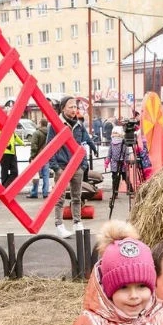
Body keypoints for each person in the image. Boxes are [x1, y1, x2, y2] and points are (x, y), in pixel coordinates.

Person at [47, 97, 98, 238]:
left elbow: (86, 140)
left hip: (77, 166)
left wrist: (84, 164)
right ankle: (59, 225)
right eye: (70, 107)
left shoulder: (79, 125)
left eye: (75, 107)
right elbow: (49, 147)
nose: (74, 109)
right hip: (62, 166)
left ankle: (77, 222)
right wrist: (55, 167)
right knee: (59, 197)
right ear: (63, 108)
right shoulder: (55, 125)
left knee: (77, 196)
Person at [0, 105, 23, 188]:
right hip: (4, 152)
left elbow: (14, 136)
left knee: (14, 172)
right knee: (5, 171)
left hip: (12, 151)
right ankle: (5, 188)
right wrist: (6, 145)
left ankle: (5, 187)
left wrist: (22, 143)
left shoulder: (9, 125)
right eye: (9, 114)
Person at [28, 118, 50, 199]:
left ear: (40, 123)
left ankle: (34, 192)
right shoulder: (49, 133)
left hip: (37, 156)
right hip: (46, 156)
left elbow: (34, 146)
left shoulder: (36, 133)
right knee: (46, 175)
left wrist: (32, 156)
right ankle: (45, 192)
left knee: (35, 175)